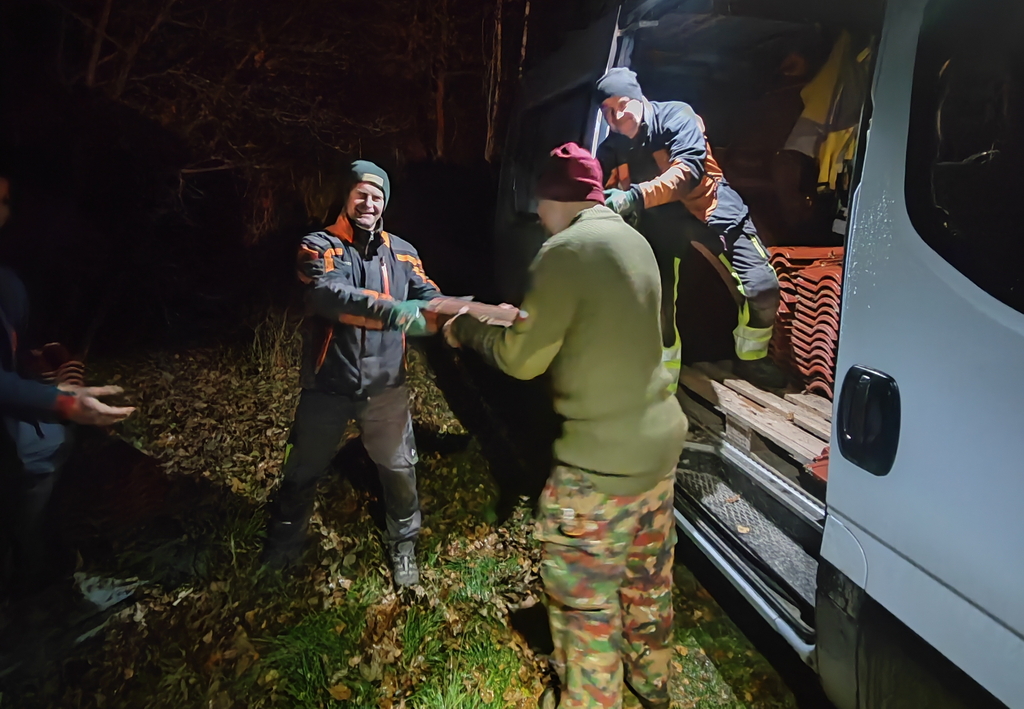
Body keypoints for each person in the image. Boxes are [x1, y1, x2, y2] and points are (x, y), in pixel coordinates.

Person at [444, 143, 688, 709]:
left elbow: (521, 359)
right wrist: (513, 315)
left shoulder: (563, 251)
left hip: (600, 467)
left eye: (540, 202)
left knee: (584, 605)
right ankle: (652, 684)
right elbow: (607, 320)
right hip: (657, 450)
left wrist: (466, 330)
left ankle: (590, 699)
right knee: (647, 580)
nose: (537, 214)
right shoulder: (635, 242)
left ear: (555, 197)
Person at [262, 160, 441, 586]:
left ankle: (403, 546)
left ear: (385, 204)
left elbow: (429, 295)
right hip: (328, 385)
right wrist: (396, 311)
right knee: (302, 470)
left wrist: (455, 313)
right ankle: (282, 546)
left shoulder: (403, 252)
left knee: (400, 471)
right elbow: (329, 295)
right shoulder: (319, 245)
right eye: (361, 193)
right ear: (346, 196)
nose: (369, 203)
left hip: (386, 387)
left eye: (377, 197)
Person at [594, 67, 787, 390]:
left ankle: (752, 359)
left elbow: (688, 173)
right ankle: (664, 381)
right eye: (607, 111)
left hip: (712, 209)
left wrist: (634, 197)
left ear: (639, 99)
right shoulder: (612, 148)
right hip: (659, 225)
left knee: (762, 287)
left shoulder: (677, 116)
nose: (616, 115)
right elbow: (592, 185)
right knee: (658, 304)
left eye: (622, 104)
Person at [0, 174, 136, 599]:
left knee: (54, 462)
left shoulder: (9, 282)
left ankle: (47, 570)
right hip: (15, 446)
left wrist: (41, 366)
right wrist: (62, 402)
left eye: (4, 201)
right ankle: (34, 585)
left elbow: (12, 358)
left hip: (24, 436)